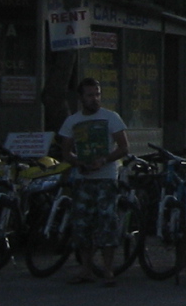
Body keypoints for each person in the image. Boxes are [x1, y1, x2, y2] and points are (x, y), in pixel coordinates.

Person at [55, 78, 130, 284]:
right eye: (90, 95)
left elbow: (124, 147)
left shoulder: (111, 117)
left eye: (97, 94)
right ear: (81, 98)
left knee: (107, 222)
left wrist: (104, 160)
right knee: (82, 224)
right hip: (83, 179)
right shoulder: (72, 121)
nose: (95, 99)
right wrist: (78, 162)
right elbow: (66, 152)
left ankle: (108, 270)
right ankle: (86, 270)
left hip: (106, 178)